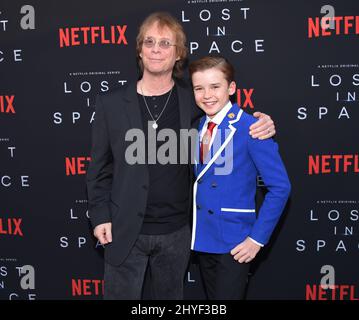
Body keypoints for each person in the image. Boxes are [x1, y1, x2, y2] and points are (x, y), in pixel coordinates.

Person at [86, 12, 276, 300]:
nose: (156, 49)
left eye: (165, 43)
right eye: (149, 42)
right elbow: (99, 168)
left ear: (178, 54)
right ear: (139, 49)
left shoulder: (195, 99)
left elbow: (229, 116)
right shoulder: (110, 103)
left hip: (178, 232)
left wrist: (264, 123)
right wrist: (100, 216)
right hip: (124, 230)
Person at [189, 56, 291, 300]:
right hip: (203, 237)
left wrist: (256, 239)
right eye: (199, 88)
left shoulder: (251, 127)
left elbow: (280, 187)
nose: (207, 95)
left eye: (215, 87)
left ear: (231, 88)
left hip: (235, 241)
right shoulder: (196, 127)